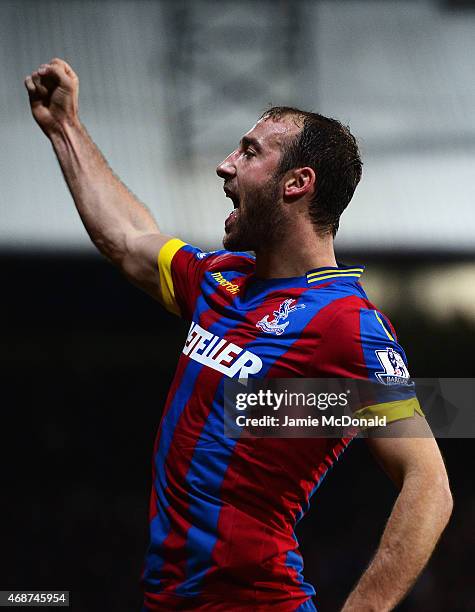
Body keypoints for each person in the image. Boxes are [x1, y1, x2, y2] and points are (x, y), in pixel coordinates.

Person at [25, 58, 452, 612]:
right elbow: (130, 238)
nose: (224, 166)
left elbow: (429, 486)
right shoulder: (219, 278)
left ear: (297, 184)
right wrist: (65, 128)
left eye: (249, 152)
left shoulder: (346, 323)